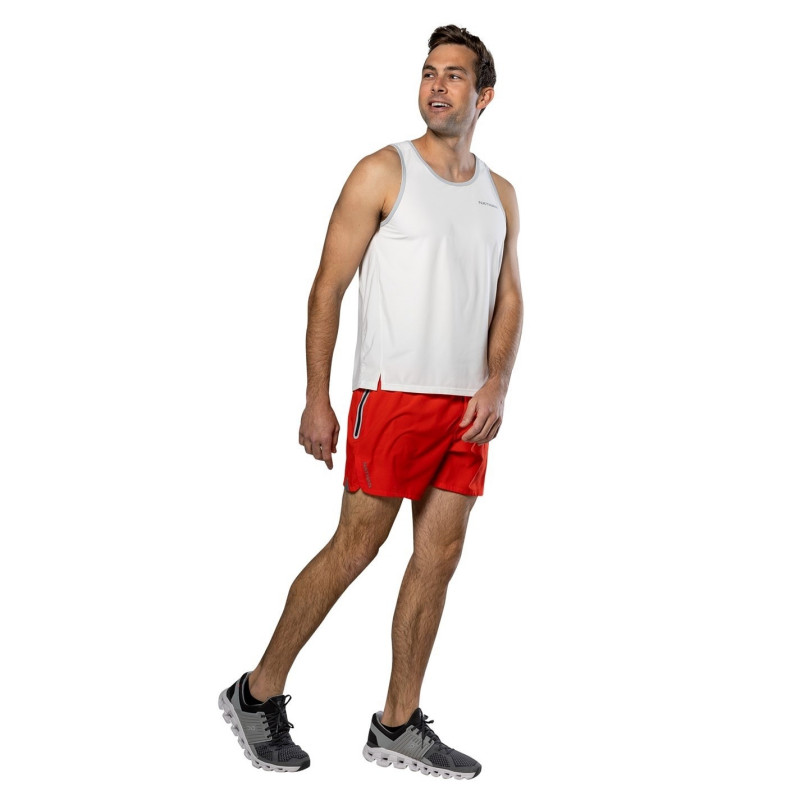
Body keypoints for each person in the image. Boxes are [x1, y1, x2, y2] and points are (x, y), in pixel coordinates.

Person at [218, 24, 522, 780]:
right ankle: (257, 693)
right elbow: (327, 287)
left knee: (438, 558)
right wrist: (316, 399)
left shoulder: (500, 194)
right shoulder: (383, 172)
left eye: (455, 75)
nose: (437, 86)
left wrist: (498, 381)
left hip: (466, 408)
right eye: (429, 72)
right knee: (356, 546)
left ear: (485, 95)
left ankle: (397, 723)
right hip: (389, 397)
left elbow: (510, 297)